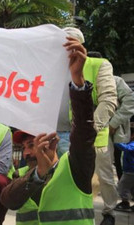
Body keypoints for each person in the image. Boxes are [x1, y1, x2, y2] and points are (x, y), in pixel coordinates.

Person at [0, 36, 97, 225]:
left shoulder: (75, 168)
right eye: (24, 147)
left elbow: (84, 132)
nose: (28, 152)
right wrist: (38, 175)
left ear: (52, 142)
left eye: (32, 144)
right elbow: (7, 200)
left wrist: (78, 83)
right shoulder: (22, 175)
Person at [61, 27, 118, 225]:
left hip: (92, 135)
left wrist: (89, 132)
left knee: (103, 177)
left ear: (80, 45)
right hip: (60, 136)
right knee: (70, 181)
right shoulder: (52, 68)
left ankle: (109, 212)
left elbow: (109, 100)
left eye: (70, 44)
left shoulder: (99, 65)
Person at [108, 76, 134, 180]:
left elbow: (130, 102)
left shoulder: (116, 81)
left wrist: (113, 123)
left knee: (119, 159)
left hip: (116, 133)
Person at [113, 130, 134, 212]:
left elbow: (126, 148)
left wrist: (116, 142)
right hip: (129, 170)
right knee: (132, 188)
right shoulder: (131, 143)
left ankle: (125, 203)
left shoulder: (132, 144)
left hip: (130, 171)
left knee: (122, 186)